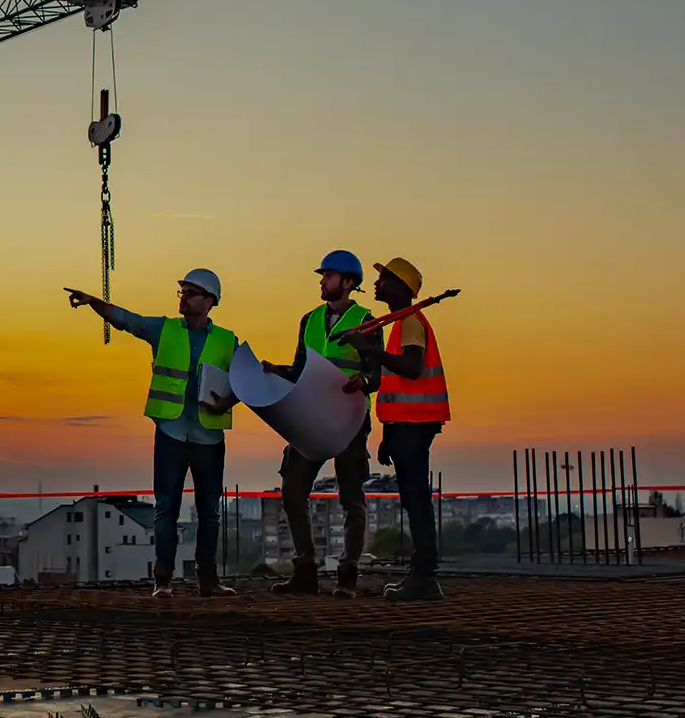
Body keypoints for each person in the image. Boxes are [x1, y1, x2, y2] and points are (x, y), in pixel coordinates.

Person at [65, 269, 239, 598]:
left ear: (210, 301)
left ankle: (208, 580)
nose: (183, 297)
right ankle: (163, 580)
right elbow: (126, 320)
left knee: (210, 511)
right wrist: (93, 303)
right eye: (182, 292)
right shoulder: (165, 329)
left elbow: (248, 380)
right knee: (166, 508)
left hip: (208, 437)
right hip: (172, 433)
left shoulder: (227, 341)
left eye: (191, 292)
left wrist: (228, 400)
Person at [259, 250, 382, 599]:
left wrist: (364, 382)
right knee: (293, 491)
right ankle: (305, 572)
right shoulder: (309, 320)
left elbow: (377, 373)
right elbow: (301, 367)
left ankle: (347, 576)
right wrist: (277, 371)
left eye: (327, 276)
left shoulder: (367, 321)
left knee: (351, 499)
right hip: (310, 418)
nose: (321, 281)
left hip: (349, 421)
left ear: (347, 282)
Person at [345, 257, 450, 602]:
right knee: (413, 498)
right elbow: (397, 385)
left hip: (415, 425)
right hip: (407, 425)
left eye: (383, 279)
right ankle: (422, 575)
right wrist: (389, 435)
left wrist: (369, 352)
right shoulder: (401, 324)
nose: (376, 284)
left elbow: (411, 368)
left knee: (416, 500)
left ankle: (423, 577)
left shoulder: (409, 323)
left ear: (401, 287)